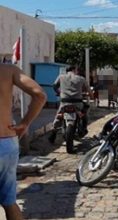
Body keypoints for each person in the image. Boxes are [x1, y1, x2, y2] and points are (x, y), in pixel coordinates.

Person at [0, 64, 46, 219]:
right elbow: (40, 95)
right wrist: (25, 123)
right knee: (9, 201)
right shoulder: (8, 70)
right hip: (7, 143)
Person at [48, 66, 90, 143]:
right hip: (78, 103)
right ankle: (84, 128)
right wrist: (89, 94)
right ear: (74, 70)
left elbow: (54, 86)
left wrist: (59, 92)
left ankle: (53, 134)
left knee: (59, 116)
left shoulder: (61, 77)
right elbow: (88, 90)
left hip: (64, 102)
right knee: (84, 112)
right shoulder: (81, 78)